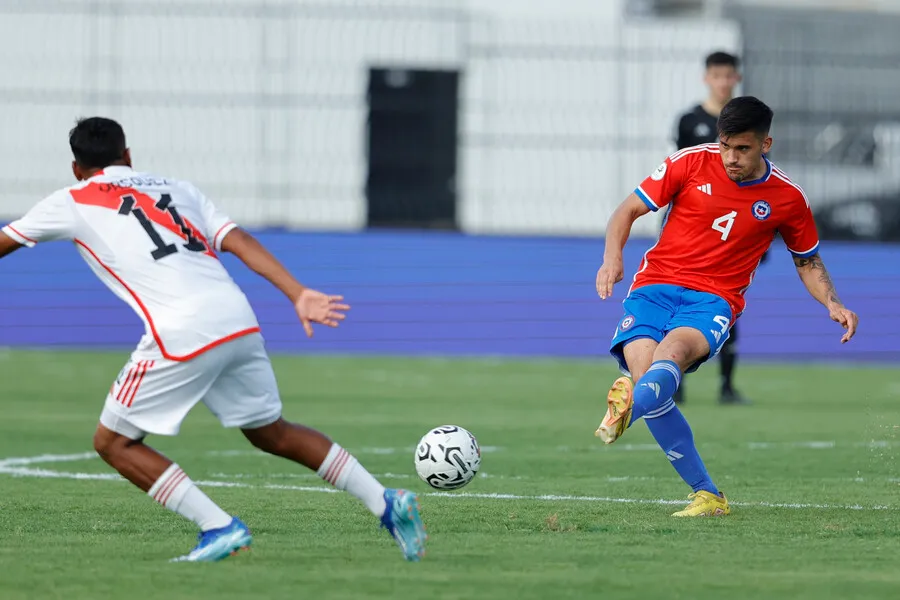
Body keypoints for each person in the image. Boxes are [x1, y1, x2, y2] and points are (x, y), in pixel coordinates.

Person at [0, 117, 427, 562]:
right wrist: (297, 292)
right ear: (128, 155)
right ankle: (385, 501)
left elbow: (6, 241)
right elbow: (237, 239)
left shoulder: (71, 199)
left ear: (76, 168)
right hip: (237, 317)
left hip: (181, 330)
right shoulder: (178, 188)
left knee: (114, 442)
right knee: (271, 432)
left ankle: (219, 527)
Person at [594, 97, 858, 517]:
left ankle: (626, 409)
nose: (731, 158)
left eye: (743, 149)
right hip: (653, 287)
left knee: (671, 358)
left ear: (765, 144)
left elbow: (807, 260)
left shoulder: (788, 197)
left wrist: (832, 301)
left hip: (713, 301)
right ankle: (708, 495)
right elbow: (626, 211)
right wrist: (613, 258)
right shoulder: (689, 162)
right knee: (652, 384)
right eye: (725, 146)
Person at [669, 50, 762, 406]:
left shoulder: (747, 125)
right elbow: (676, 174)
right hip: (691, 229)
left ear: (736, 78)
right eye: (717, 75)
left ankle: (727, 385)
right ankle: (675, 381)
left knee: (728, 298)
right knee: (679, 299)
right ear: (707, 78)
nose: (723, 82)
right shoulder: (689, 121)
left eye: (729, 76)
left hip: (734, 228)